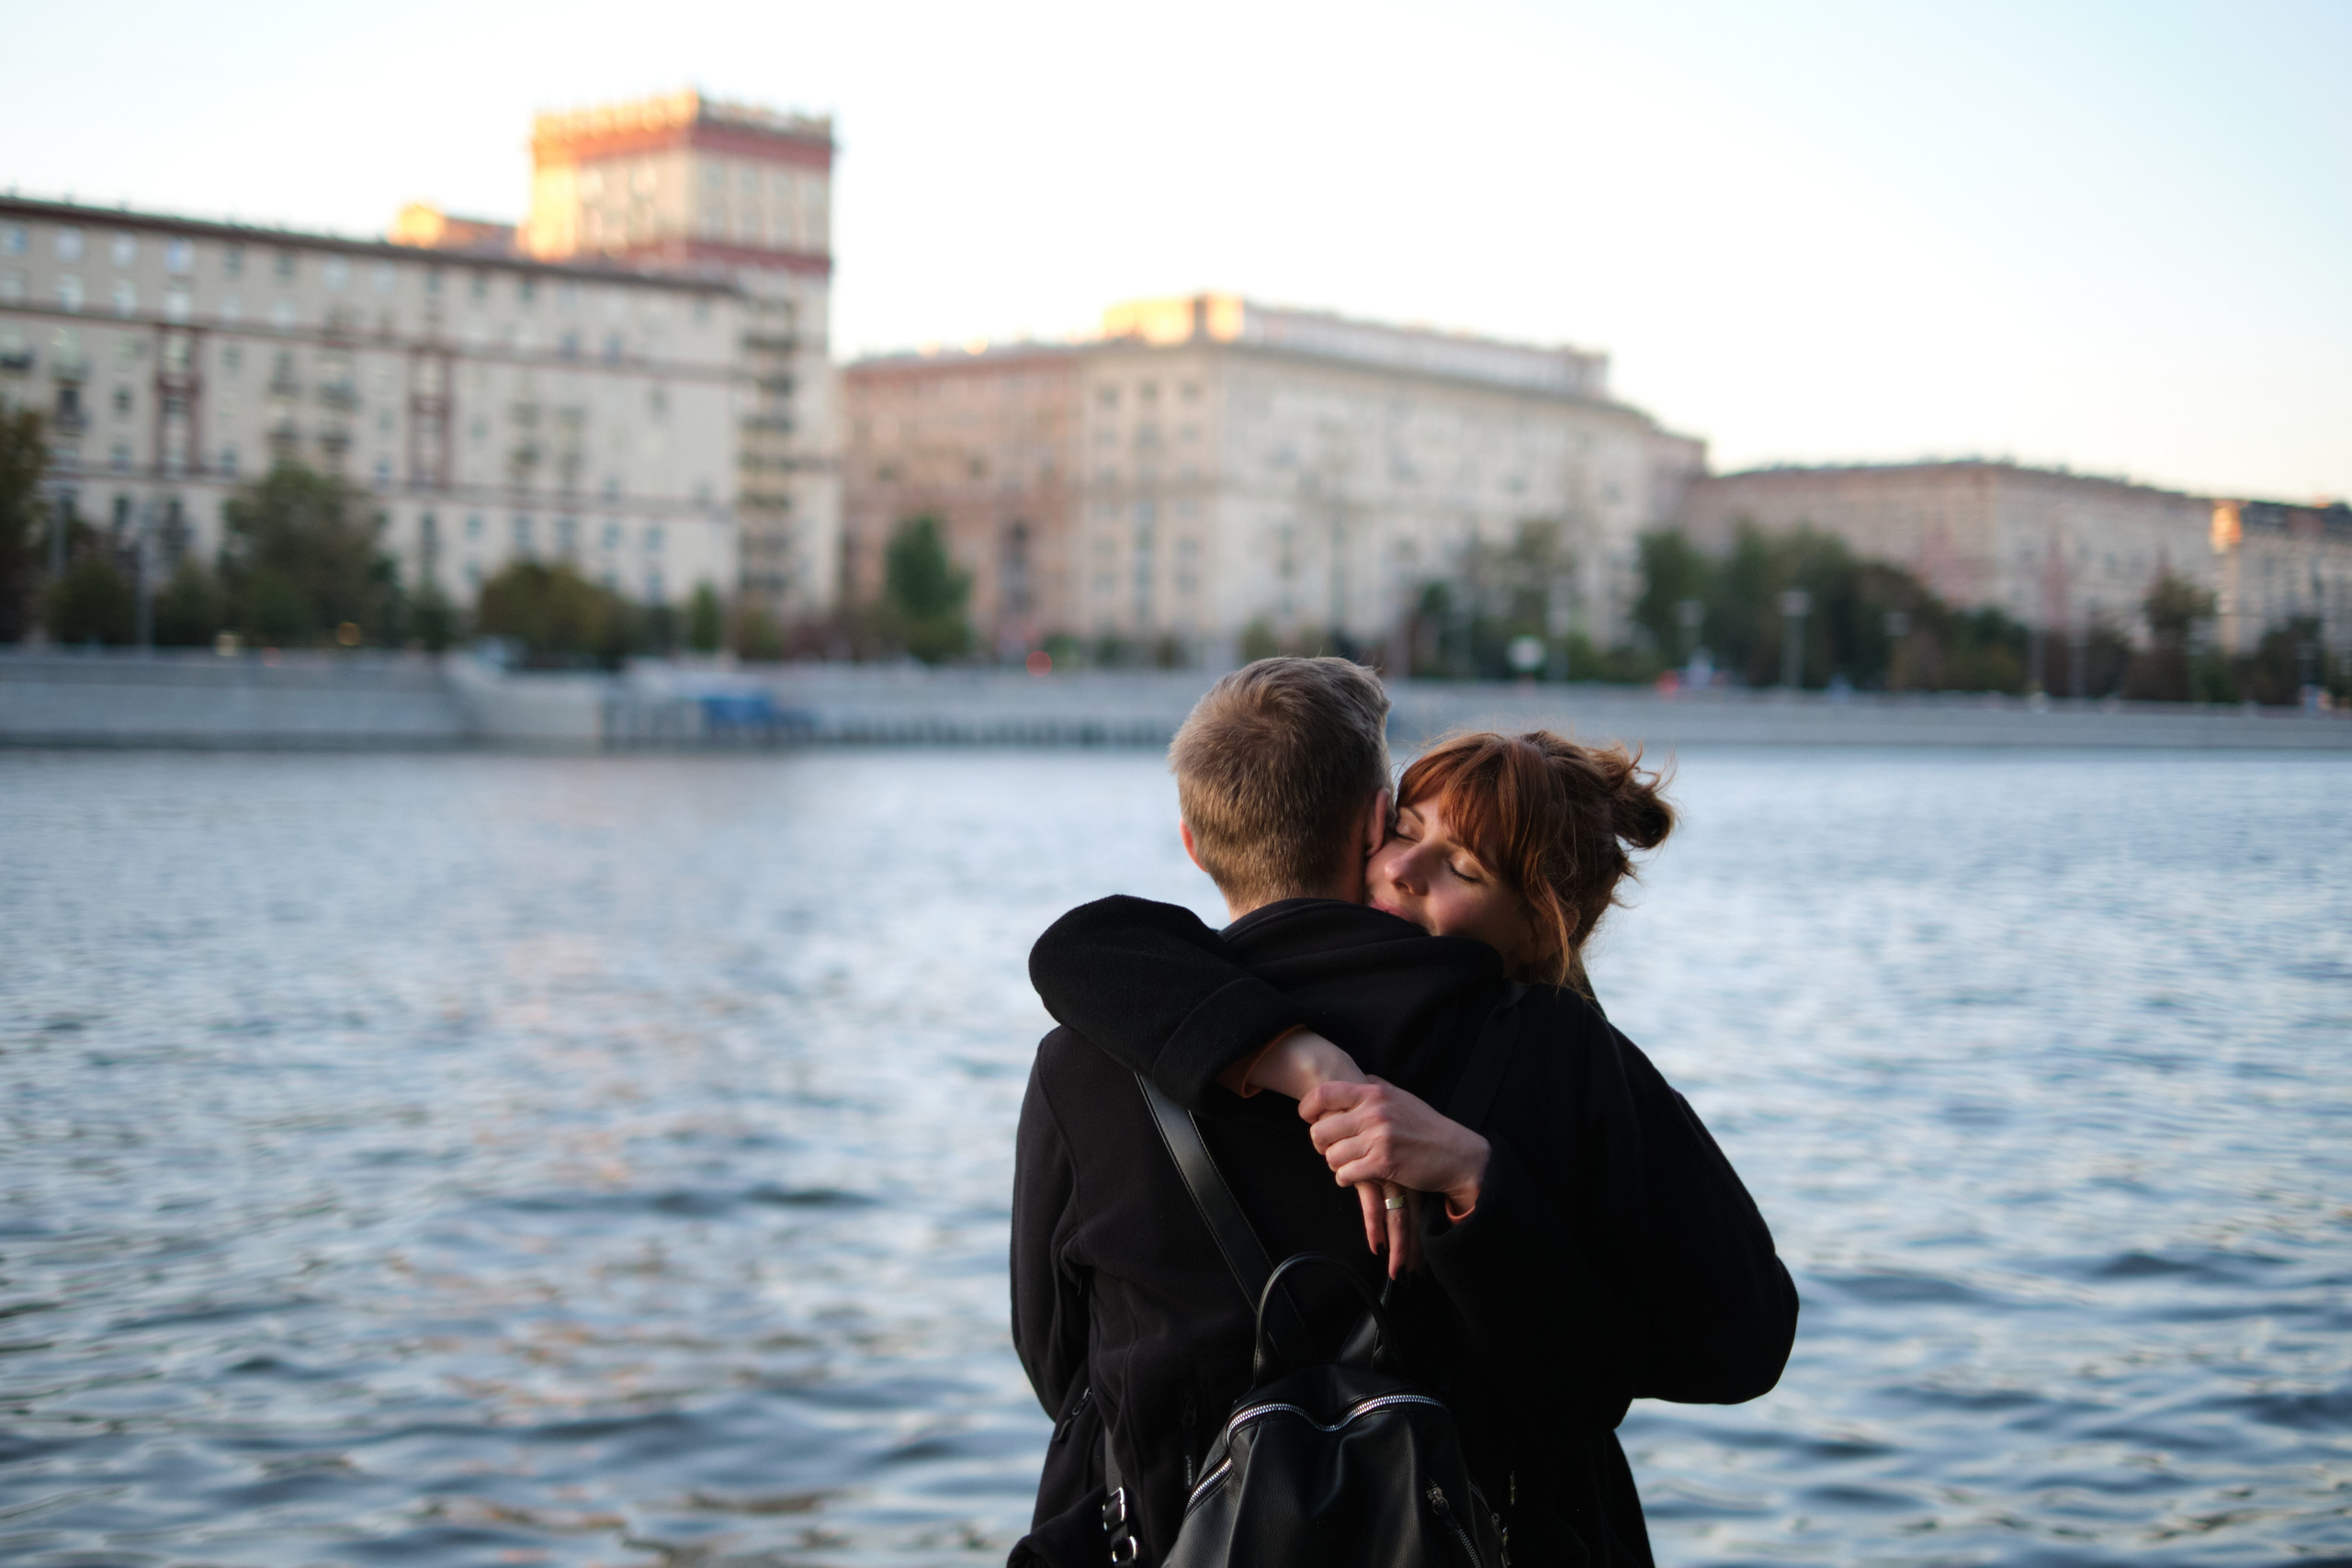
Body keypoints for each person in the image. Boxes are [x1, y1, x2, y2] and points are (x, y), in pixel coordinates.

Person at [1009, 658, 1795, 1566]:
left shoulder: (1091, 1054)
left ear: (1191, 842)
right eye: (1412, 833)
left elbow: (1058, 1362)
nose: (1413, 866)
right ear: (1376, 818)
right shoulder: (1558, 1051)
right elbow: (1737, 1344)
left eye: (1459, 862)